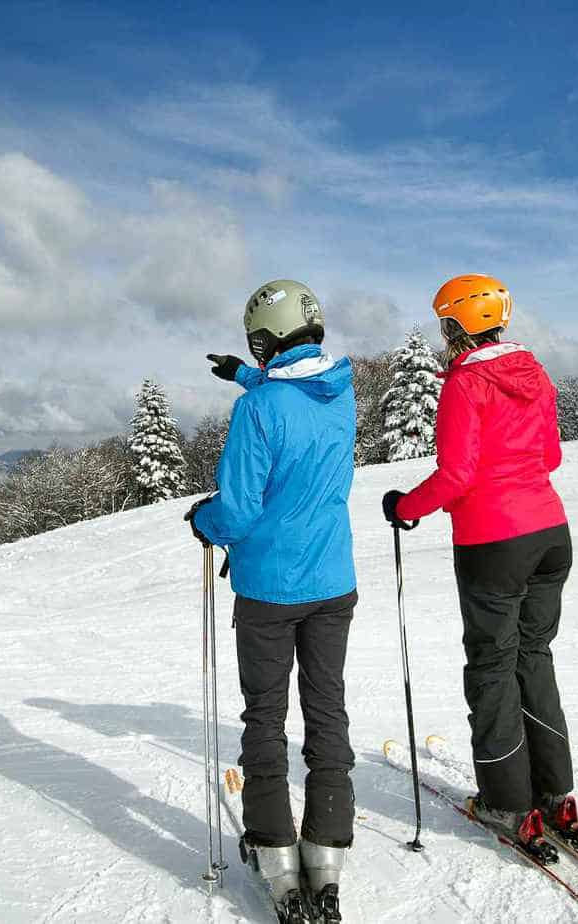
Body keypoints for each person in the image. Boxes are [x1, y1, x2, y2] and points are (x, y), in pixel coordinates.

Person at [380, 274, 578, 865]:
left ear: (456, 326)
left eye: (444, 323)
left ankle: (506, 801)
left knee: (493, 668)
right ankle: (555, 796)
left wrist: (403, 507)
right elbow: (549, 455)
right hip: (551, 534)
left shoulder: (464, 384)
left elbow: (456, 476)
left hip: (493, 544)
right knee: (535, 658)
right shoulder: (534, 372)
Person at [186, 279, 357, 924]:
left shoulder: (259, 412)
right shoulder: (340, 393)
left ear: (264, 338)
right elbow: (296, 405)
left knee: (265, 717)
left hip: (267, 591)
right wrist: (246, 377)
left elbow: (237, 506)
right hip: (333, 586)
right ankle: (326, 852)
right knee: (327, 710)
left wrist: (206, 521)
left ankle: (277, 854)